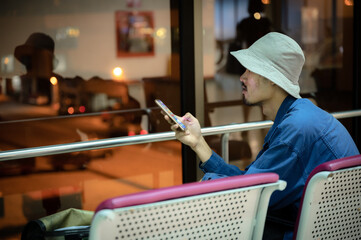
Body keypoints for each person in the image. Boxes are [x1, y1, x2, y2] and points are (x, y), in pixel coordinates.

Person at [164, 32, 360, 240]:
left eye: (250, 69)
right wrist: (198, 143)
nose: (242, 77)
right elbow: (252, 182)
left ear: (273, 79)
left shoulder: (297, 129)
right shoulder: (300, 116)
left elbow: (249, 194)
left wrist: (207, 183)